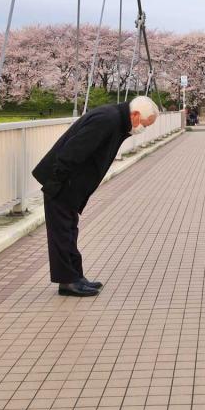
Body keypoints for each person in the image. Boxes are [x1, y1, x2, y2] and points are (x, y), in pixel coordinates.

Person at [32, 96, 159, 297]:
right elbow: (73, 151)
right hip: (62, 183)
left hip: (71, 185)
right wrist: (56, 182)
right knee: (62, 232)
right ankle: (67, 281)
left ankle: (75, 277)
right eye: (144, 124)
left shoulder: (116, 120)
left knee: (69, 230)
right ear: (135, 115)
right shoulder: (108, 120)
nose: (144, 129)